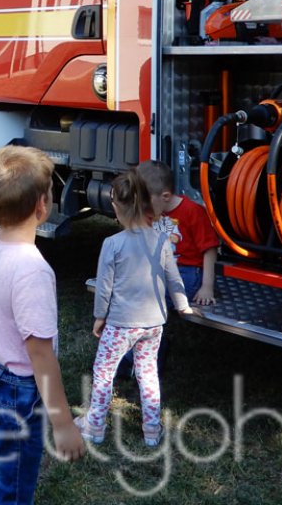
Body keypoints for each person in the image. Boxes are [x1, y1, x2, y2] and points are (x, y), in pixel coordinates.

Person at [0, 145, 85, 505]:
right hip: (17, 389)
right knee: (13, 486)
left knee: (7, 465)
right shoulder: (32, 271)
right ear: (42, 206)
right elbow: (40, 354)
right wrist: (64, 423)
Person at [77, 169, 194, 447]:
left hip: (120, 323)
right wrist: (183, 307)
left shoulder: (112, 244)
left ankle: (94, 426)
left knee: (104, 372)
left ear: (116, 207)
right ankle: (152, 430)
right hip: (154, 324)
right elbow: (174, 278)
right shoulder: (162, 241)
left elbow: (104, 286)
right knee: (147, 372)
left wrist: (99, 317)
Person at [137, 159, 219, 305]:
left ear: (166, 196)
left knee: (154, 291)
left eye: (145, 204)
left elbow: (210, 250)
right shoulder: (154, 210)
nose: (142, 209)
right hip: (162, 267)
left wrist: (207, 287)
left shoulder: (193, 212)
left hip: (187, 271)